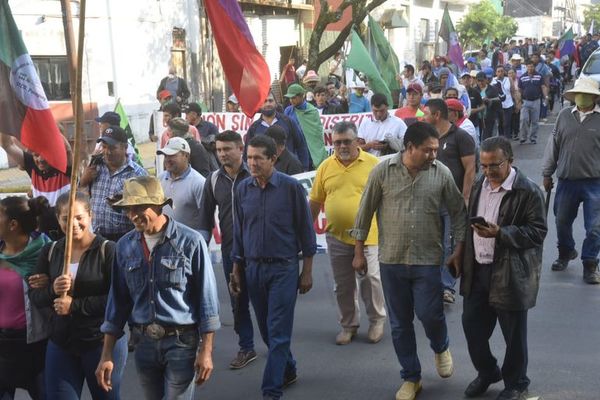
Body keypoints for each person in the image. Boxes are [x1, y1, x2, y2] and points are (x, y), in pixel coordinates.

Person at [350, 122, 467, 400]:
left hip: (428, 259)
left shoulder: (441, 174)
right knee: (400, 324)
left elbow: (458, 213)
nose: (433, 156)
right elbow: (364, 212)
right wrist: (358, 252)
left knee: (430, 314)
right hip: (391, 259)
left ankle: (440, 346)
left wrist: (458, 250)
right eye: (428, 150)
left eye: (436, 150)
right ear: (410, 147)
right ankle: (411, 377)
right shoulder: (382, 171)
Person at [96, 176, 220, 399]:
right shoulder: (124, 247)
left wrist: (206, 351)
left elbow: (207, 302)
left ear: (158, 206)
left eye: (139, 207)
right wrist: (107, 354)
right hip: (143, 343)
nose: (132, 215)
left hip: (181, 343)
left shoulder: (191, 241)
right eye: (128, 209)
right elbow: (117, 303)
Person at [230, 135, 317, 400]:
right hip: (253, 270)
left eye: (259, 158)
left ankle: (271, 391)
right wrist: (236, 269)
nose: (252, 163)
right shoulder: (242, 189)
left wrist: (307, 271)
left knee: (278, 332)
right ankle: (288, 368)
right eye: (250, 157)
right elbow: (239, 231)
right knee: (268, 332)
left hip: (284, 270)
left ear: (273, 158)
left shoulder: (290, 188)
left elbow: (306, 231)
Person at [462, 137, 547, 400]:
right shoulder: (479, 184)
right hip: (477, 269)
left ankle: (517, 383)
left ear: (510, 160)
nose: (488, 172)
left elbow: (538, 232)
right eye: (483, 165)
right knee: (472, 328)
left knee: (513, 336)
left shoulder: (529, 191)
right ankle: (488, 372)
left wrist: (501, 234)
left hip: (510, 273)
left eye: (494, 165)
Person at [29, 191, 128, 400]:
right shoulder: (50, 251)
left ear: (90, 216)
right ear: (58, 219)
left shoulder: (109, 251)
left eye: (79, 217)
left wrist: (74, 305)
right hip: (61, 343)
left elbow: (118, 300)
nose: (73, 223)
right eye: (66, 218)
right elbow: (36, 297)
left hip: (100, 343)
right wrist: (52, 290)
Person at [309, 121, 386, 345]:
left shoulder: (374, 165)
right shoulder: (325, 166)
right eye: (337, 143)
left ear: (357, 141)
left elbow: (386, 201)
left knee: (370, 279)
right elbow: (315, 202)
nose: (342, 146)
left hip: (368, 235)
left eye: (346, 142)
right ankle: (348, 324)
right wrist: (305, 232)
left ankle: (377, 321)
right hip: (337, 237)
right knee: (343, 284)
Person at [198, 131, 256, 369]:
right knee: (238, 300)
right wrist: (199, 252)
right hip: (231, 253)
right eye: (219, 150)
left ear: (240, 148)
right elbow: (204, 221)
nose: (222, 154)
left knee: (263, 302)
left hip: (259, 251)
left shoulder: (255, 172)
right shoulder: (213, 180)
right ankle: (247, 347)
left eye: (227, 149)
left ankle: (278, 350)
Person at [542, 77, 600, 284]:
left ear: (594, 97)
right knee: (561, 220)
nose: (582, 97)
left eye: (586, 94)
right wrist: (547, 173)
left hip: (595, 182)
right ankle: (566, 251)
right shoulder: (564, 116)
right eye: (579, 94)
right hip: (567, 180)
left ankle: (590, 263)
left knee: (594, 227)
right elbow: (553, 144)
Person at [424, 99, 476, 305]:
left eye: (426, 113)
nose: (423, 117)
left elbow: (470, 169)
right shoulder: (427, 138)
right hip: (430, 200)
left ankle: (447, 287)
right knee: (431, 244)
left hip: (452, 203)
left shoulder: (461, 137)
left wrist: (465, 197)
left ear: (436, 115)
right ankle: (431, 284)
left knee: (449, 244)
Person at [0, 196, 52, 400]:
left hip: (35, 345)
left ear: (13, 224)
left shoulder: (46, 252)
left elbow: (64, 292)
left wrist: (49, 284)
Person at [80, 126, 148, 242]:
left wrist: (123, 205)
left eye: (112, 148)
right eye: (104, 147)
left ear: (125, 147)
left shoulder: (138, 174)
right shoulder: (95, 168)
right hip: (96, 237)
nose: (107, 152)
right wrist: (83, 180)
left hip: (126, 238)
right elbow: (79, 195)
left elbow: (145, 211)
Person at [0, 133, 71, 208]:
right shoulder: (32, 164)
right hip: (40, 219)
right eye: (36, 155)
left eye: (45, 155)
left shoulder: (63, 166)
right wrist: (3, 121)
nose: (41, 159)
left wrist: (48, 128)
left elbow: (67, 149)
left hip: (62, 219)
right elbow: (7, 145)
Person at [245, 92, 310, 171]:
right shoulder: (254, 128)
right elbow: (247, 154)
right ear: (259, 105)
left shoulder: (288, 122)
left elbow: (301, 146)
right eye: (264, 101)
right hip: (263, 175)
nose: (268, 104)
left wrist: (305, 169)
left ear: (276, 103)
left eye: (270, 101)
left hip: (289, 171)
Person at [157, 137, 206, 232]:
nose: (167, 159)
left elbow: (205, 219)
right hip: (163, 241)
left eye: (172, 155)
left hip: (187, 243)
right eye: (166, 156)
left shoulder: (198, 182)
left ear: (186, 156)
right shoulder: (159, 179)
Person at [284, 84, 328, 168]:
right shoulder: (288, 111)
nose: (291, 100)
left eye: (294, 97)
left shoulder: (312, 111)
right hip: (295, 150)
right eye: (290, 98)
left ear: (302, 96)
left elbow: (317, 134)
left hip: (310, 150)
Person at [518, 60, 547, 145]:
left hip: (536, 101)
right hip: (525, 101)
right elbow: (519, 90)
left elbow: (543, 87)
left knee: (535, 121)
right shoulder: (522, 77)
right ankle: (523, 137)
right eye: (528, 66)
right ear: (526, 67)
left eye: (532, 66)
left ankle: (533, 137)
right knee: (524, 119)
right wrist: (518, 101)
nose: (530, 68)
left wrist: (546, 97)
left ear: (534, 67)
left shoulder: (539, 76)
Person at [476, 71, 501, 141]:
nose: (480, 83)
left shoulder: (492, 89)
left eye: (482, 81)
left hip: (490, 116)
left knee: (490, 137)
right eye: (478, 81)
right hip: (478, 118)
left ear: (486, 80)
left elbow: (499, 99)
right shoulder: (475, 90)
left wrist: (489, 100)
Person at [492, 66, 515, 140]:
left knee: (506, 123)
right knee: (500, 124)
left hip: (508, 104)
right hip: (498, 105)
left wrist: (515, 102)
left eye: (502, 71)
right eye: (498, 71)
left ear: (504, 72)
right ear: (496, 73)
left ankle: (507, 139)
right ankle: (501, 139)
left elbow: (512, 91)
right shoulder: (493, 81)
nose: (500, 73)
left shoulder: (509, 79)